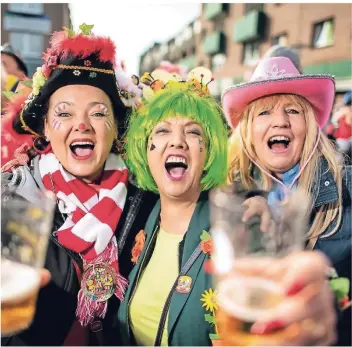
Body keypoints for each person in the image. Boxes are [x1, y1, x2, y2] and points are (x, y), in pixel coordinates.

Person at [116, 67, 338, 346]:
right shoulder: (137, 219)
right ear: (145, 149)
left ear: (209, 151)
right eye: (162, 130)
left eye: (193, 132)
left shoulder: (240, 228)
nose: (177, 141)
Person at [1, 25, 157, 346]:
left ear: (116, 128)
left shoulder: (148, 201)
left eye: (99, 113)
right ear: (45, 126)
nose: (82, 125)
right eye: (64, 113)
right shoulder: (10, 197)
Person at [222, 56, 351, 345]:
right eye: (264, 112)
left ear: (309, 125)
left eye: (292, 110)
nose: (280, 121)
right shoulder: (230, 196)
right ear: (248, 131)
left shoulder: (348, 189)